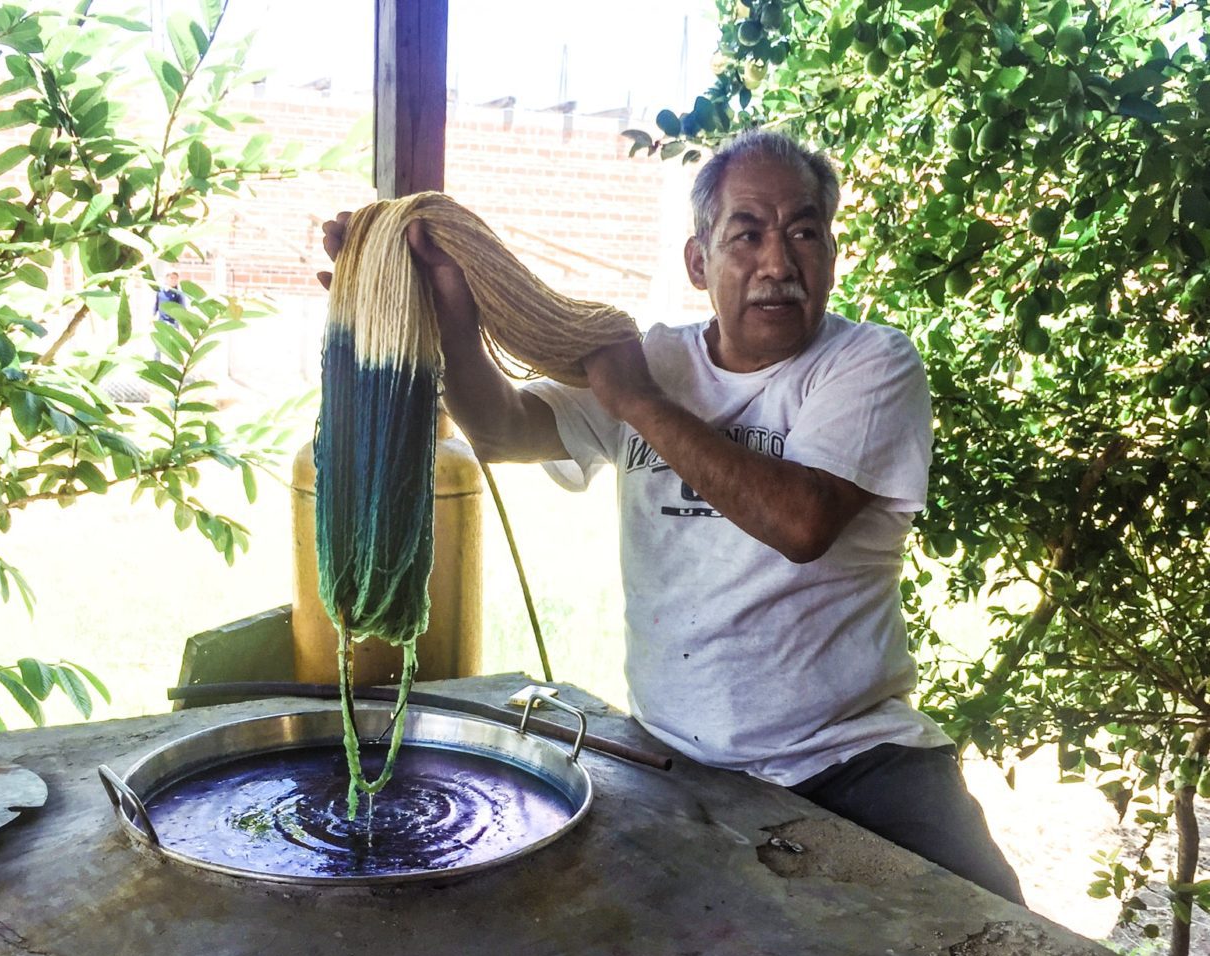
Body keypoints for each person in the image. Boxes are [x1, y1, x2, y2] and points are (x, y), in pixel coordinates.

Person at [318, 129, 1024, 905]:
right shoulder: (652, 357)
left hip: (855, 763)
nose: (777, 264)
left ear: (830, 251)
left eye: (802, 233)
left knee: (1007, 954)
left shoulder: (868, 364)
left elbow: (801, 522)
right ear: (699, 261)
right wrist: (447, 309)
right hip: (677, 763)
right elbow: (504, 429)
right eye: (746, 235)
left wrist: (639, 404)